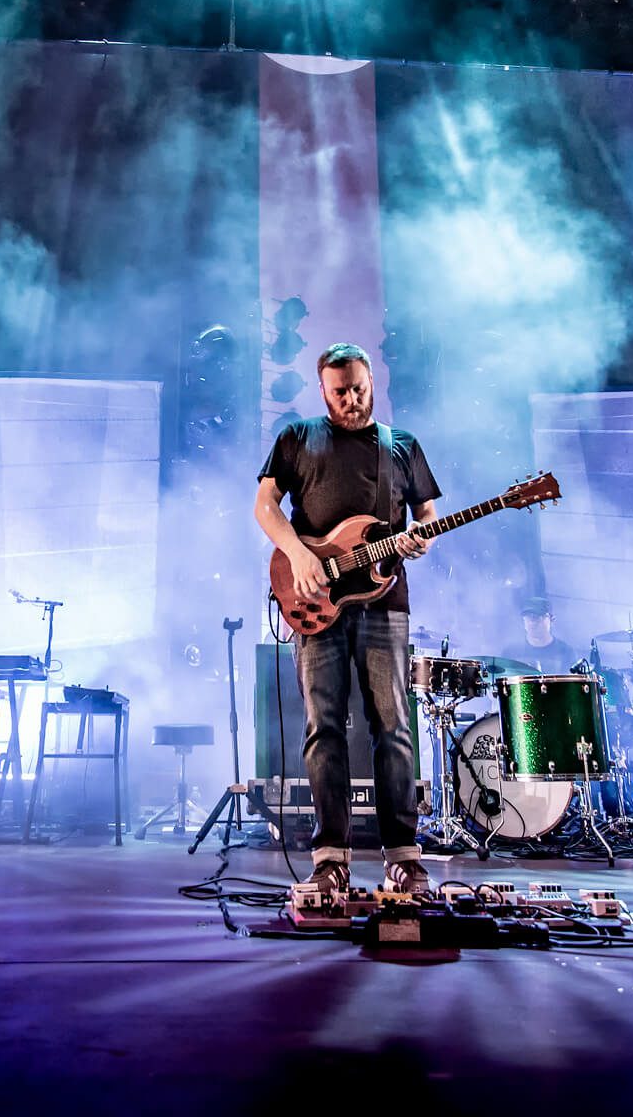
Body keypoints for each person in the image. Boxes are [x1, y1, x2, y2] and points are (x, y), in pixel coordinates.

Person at [254, 342, 440, 894]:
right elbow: (265, 506)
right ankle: (329, 855)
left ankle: (403, 854)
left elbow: (426, 512)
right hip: (315, 602)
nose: (352, 399)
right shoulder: (297, 438)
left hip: (386, 603)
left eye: (359, 388)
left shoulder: (400, 446)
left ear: (371, 382)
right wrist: (300, 555)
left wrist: (421, 537)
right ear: (322, 390)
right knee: (324, 729)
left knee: (394, 728)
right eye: (340, 392)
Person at [500, 594, 580, 675]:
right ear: (523, 621)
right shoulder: (510, 653)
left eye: (537, 617)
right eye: (528, 617)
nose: (532, 622)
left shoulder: (566, 652)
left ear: (552, 620)